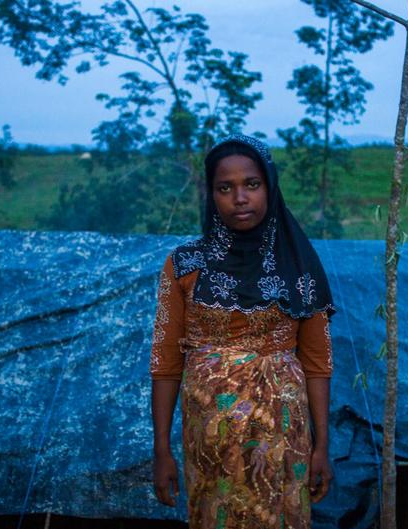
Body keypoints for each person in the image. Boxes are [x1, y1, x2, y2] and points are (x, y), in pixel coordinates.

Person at [149, 134, 336, 528]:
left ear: (269, 186)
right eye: (225, 187)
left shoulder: (300, 265)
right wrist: (161, 449)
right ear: (211, 195)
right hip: (209, 441)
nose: (239, 198)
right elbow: (166, 364)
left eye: (251, 184)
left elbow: (318, 363)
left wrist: (323, 446)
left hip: (283, 434)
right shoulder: (184, 266)